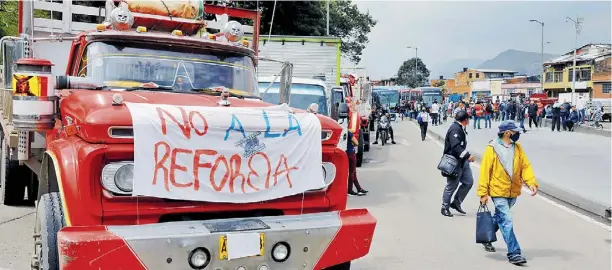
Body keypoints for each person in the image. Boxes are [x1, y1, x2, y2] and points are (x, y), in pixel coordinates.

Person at [477, 120, 539, 265]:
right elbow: (485, 171)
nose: (518, 134)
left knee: (500, 218)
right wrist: (483, 193)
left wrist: (531, 182)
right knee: (506, 220)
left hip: (512, 191)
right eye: (515, 132)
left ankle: (486, 236)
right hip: (498, 190)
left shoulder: (517, 148)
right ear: (507, 133)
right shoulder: (491, 148)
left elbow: (525, 166)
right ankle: (514, 253)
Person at [441, 110, 474, 217]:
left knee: (468, 182)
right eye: (468, 119)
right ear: (465, 120)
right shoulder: (454, 129)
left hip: (463, 162)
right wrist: (468, 155)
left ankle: (456, 202)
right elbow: (455, 146)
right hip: (454, 162)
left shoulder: (460, 128)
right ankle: (444, 207)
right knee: (451, 186)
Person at [346, 130, 367, 196]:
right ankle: (350, 190)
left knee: (353, 172)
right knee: (352, 172)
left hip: (345, 153)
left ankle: (359, 188)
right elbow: (357, 143)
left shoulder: (342, 132)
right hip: (351, 153)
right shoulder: (348, 132)